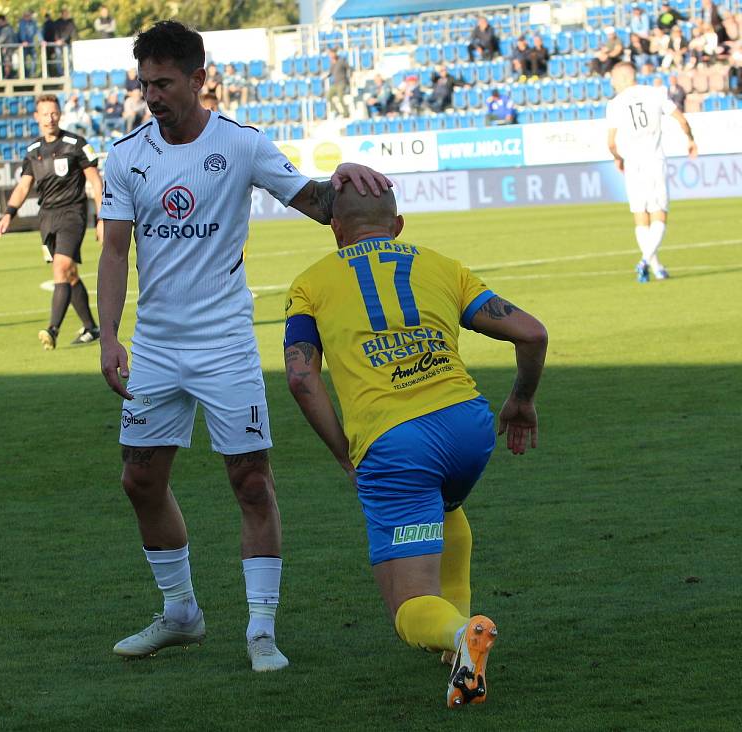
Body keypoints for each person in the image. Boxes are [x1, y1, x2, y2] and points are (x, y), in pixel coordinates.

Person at [96, 20, 389, 671]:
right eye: (145, 84)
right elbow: (115, 251)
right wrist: (111, 335)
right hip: (158, 347)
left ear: (200, 80)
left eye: (164, 83)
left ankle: (261, 630)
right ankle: (181, 613)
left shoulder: (243, 146)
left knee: (250, 480)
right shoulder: (125, 156)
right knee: (139, 479)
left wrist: (343, 176)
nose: (153, 96)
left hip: (225, 343)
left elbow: (318, 205)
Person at [282, 183, 547, 707]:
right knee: (446, 503)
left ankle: (459, 634)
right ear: (398, 225)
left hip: (395, 441)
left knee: (408, 608)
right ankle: (458, 656)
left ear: (335, 229)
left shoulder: (311, 283)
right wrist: (520, 400)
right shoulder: (443, 266)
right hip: (468, 426)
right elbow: (532, 333)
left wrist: (343, 452)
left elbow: (301, 377)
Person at [0, 94, 103, 349]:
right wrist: (9, 213)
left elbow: (96, 182)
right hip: (47, 218)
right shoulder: (33, 151)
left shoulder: (76, 144)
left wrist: (102, 218)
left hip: (73, 214)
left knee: (61, 268)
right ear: (37, 117)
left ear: (60, 114)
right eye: (45, 114)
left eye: (54, 113)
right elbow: (24, 187)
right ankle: (91, 328)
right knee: (70, 274)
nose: (50, 118)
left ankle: (52, 329)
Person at [606, 62, 698, 282]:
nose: (612, 83)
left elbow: (611, 143)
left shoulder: (615, 103)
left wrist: (618, 158)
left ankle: (655, 268)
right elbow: (682, 119)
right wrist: (691, 140)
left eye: (614, 79)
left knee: (641, 216)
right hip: (654, 161)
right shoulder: (655, 94)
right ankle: (646, 262)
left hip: (632, 163)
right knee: (659, 212)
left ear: (625, 77)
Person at [326, 48, 350, 117]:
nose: (331, 55)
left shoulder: (341, 61)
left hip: (342, 82)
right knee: (328, 96)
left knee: (340, 98)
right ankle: (336, 111)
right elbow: (330, 72)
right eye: (330, 54)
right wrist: (326, 76)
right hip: (335, 84)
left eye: (332, 54)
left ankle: (346, 113)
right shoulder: (332, 63)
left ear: (335, 53)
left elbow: (349, 68)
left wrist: (350, 75)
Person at [18, 11, 40, 77]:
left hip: (31, 44)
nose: (28, 17)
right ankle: (25, 74)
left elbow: (37, 31)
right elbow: (22, 32)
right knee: (23, 59)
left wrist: (41, 40)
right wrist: (24, 40)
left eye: (29, 16)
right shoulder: (22, 23)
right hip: (24, 44)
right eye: (26, 16)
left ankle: (32, 73)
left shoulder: (33, 23)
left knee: (34, 57)